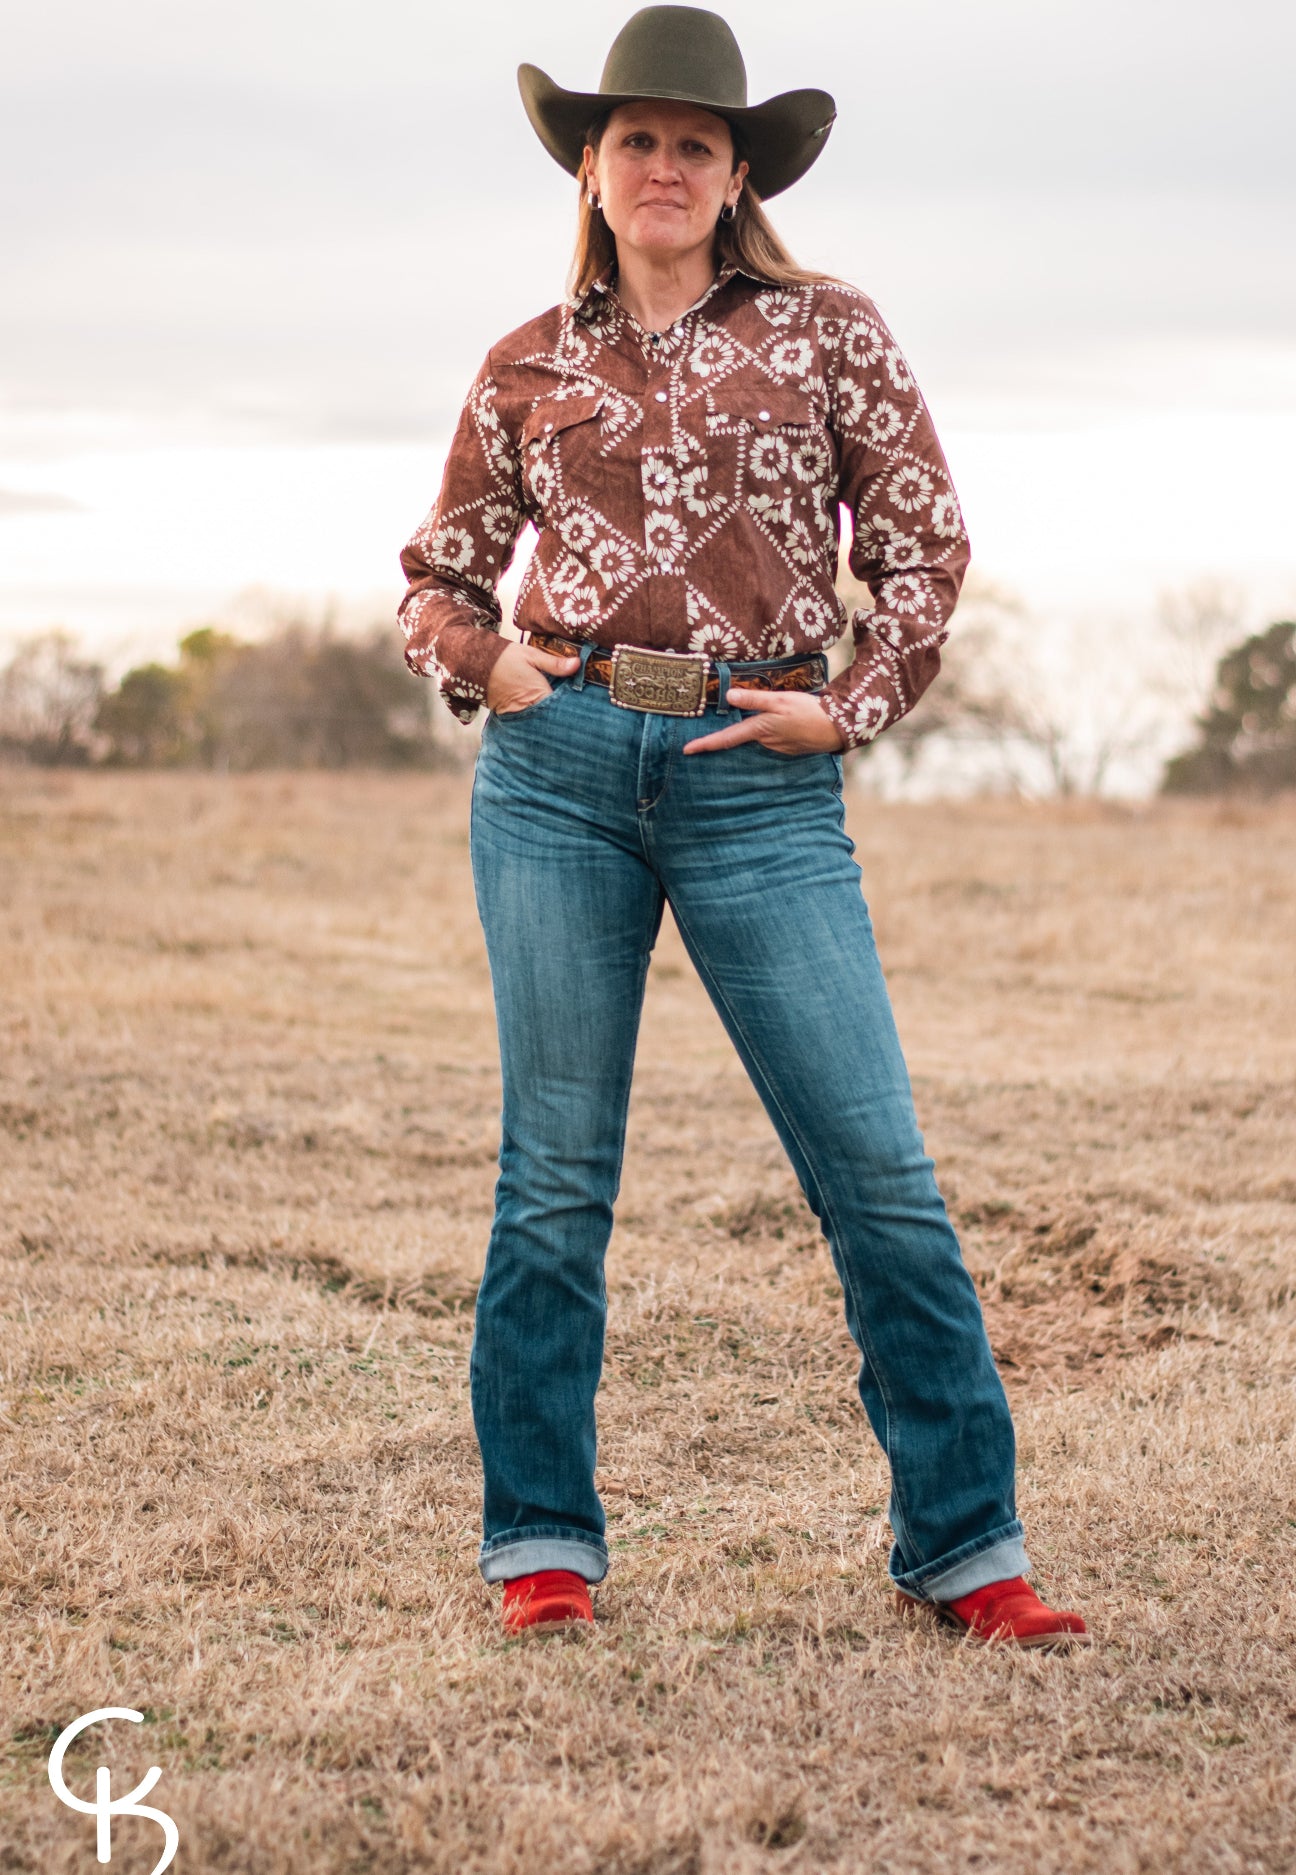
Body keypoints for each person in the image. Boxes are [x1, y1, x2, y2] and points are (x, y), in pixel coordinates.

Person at [397, 4, 1088, 1649]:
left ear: (734, 172)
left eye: (694, 144)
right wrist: (491, 666)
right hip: (560, 778)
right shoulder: (524, 365)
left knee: (879, 1171)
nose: (662, 164)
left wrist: (845, 706)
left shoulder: (830, 331)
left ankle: (967, 1549)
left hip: (758, 770)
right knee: (555, 1181)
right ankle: (543, 1543)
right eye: (634, 137)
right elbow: (437, 569)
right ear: (591, 161)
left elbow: (926, 548)